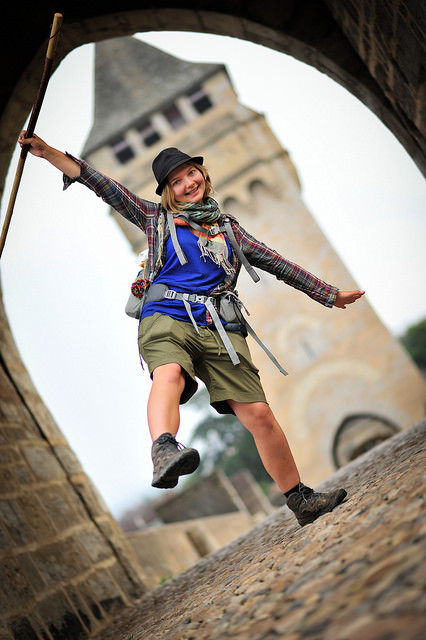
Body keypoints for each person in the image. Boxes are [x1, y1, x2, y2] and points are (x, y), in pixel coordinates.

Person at [18, 132, 365, 526]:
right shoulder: (156, 218)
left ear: (202, 174)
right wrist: (48, 154)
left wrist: (328, 293)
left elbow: (275, 262)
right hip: (166, 314)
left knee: (260, 416)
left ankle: (300, 500)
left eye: (191, 173)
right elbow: (104, 185)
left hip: (220, 328)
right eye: (177, 181)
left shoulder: (229, 229)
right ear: (168, 191)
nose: (187, 183)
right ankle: (164, 448)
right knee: (170, 374)